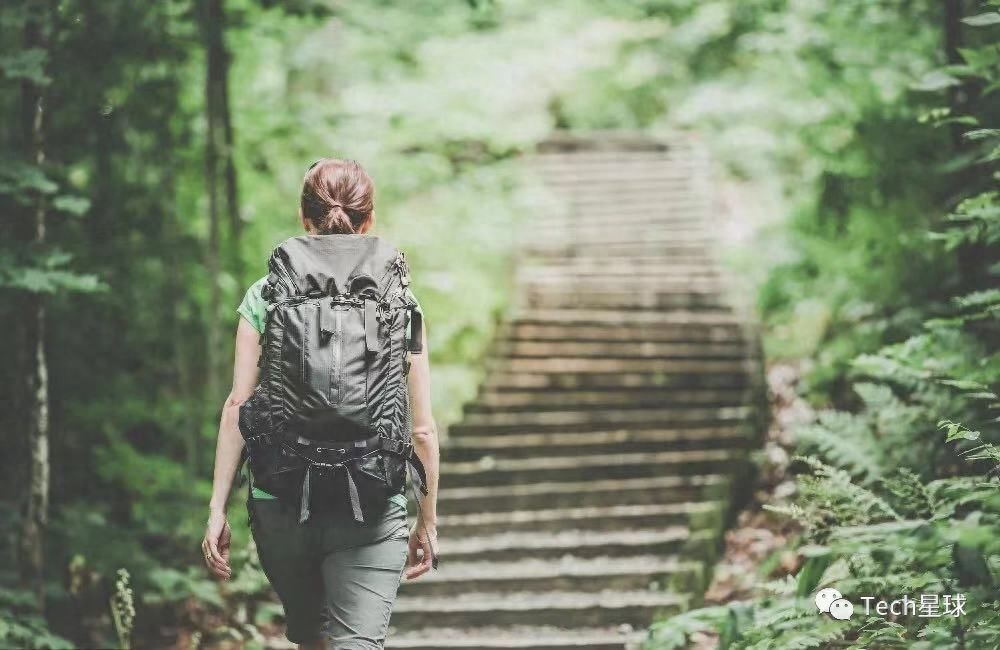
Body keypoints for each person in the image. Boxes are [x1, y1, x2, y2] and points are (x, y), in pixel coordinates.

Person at [201, 158, 440, 649]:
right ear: (368, 219)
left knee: (313, 639)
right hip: (374, 502)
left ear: (304, 216)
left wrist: (216, 507)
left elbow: (237, 406)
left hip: (282, 498)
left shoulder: (265, 294)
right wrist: (427, 519)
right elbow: (422, 430)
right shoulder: (402, 302)